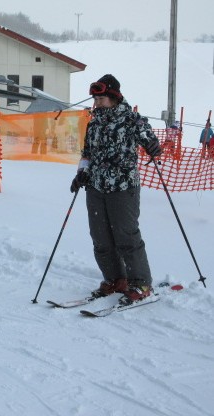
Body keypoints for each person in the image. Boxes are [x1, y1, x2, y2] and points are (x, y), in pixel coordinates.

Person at [70, 74, 162, 306]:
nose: (97, 103)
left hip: (123, 187)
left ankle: (141, 283)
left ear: (113, 97)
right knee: (100, 237)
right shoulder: (94, 123)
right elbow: (87, 152)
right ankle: (115, 279)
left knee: (126, 236)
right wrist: (82, 172)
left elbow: (148, 136)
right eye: (95, 99)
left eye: (101, 99)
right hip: (96, 186)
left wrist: (152, 145)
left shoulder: (131, 119)